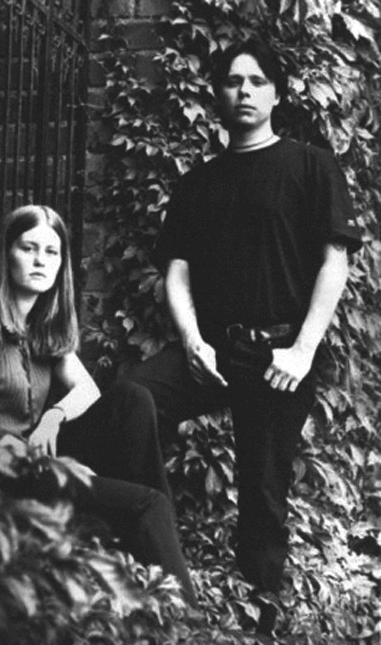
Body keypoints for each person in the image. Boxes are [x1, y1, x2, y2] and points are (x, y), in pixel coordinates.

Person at [126, 37, 361, 635]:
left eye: (257, 81)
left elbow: (335, 261)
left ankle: (261, 622)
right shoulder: (198, 182)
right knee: (134, 400)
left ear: (277, 94)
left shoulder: (310, 165)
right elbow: (177, 270)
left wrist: (302, 350)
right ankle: (159, 560)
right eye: (233, 81)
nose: (245, 91)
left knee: (262, 494)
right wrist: (191, 341)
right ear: (218, 95)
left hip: (280, 353)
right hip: (211, 351)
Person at [0, 204, 197, 607]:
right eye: (28, 248)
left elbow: (88, 390)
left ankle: (140, 528)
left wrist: (53, 416)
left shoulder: (42, 327)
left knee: (132, 397)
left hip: (39, 456)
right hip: (6, 471)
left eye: (51, 251)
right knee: (149, 503)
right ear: (7, 254)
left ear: (62, 263)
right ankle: (189, 619)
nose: (40, 260)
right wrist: (57, 465)